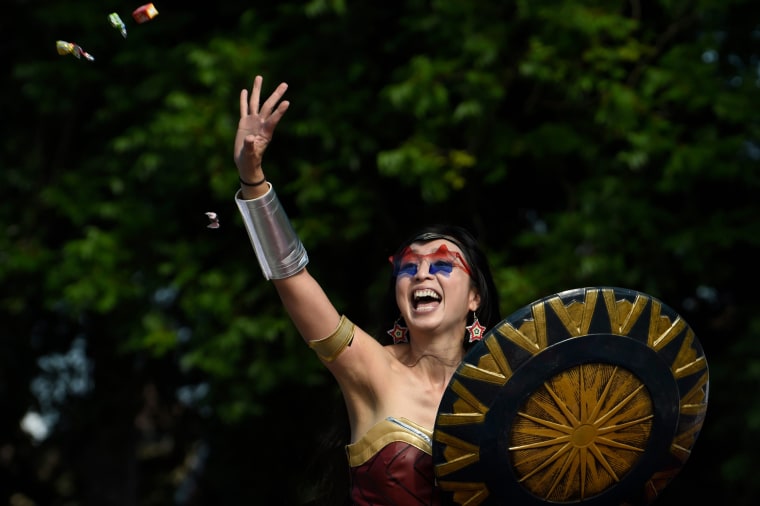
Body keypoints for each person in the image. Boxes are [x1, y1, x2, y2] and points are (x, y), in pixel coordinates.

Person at [232, 75, 502, 505]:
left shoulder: (507, 391)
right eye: (408, 266)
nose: (421, 275)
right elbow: (291, 277)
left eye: (442, 264)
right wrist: (253, 180)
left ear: (475, 298)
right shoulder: (371, 369)